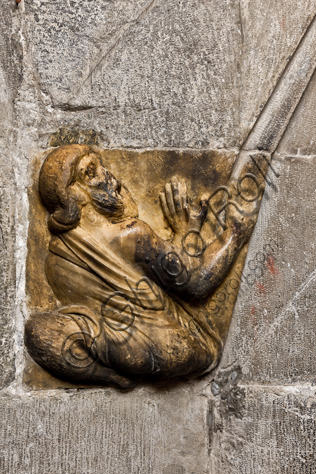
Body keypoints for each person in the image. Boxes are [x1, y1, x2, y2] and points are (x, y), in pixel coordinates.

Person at [25, 144, 257, 388]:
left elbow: (142, 286)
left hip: (119, 350)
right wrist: (235, 232)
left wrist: (185, 232)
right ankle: (119, 373)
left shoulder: (55, 259)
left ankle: (115, 377)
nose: (108, 175)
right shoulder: (131, 234)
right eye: (91, 172)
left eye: (100, 165)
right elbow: (195, 282)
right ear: (74, 195)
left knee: (42, 331)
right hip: (177, 348)